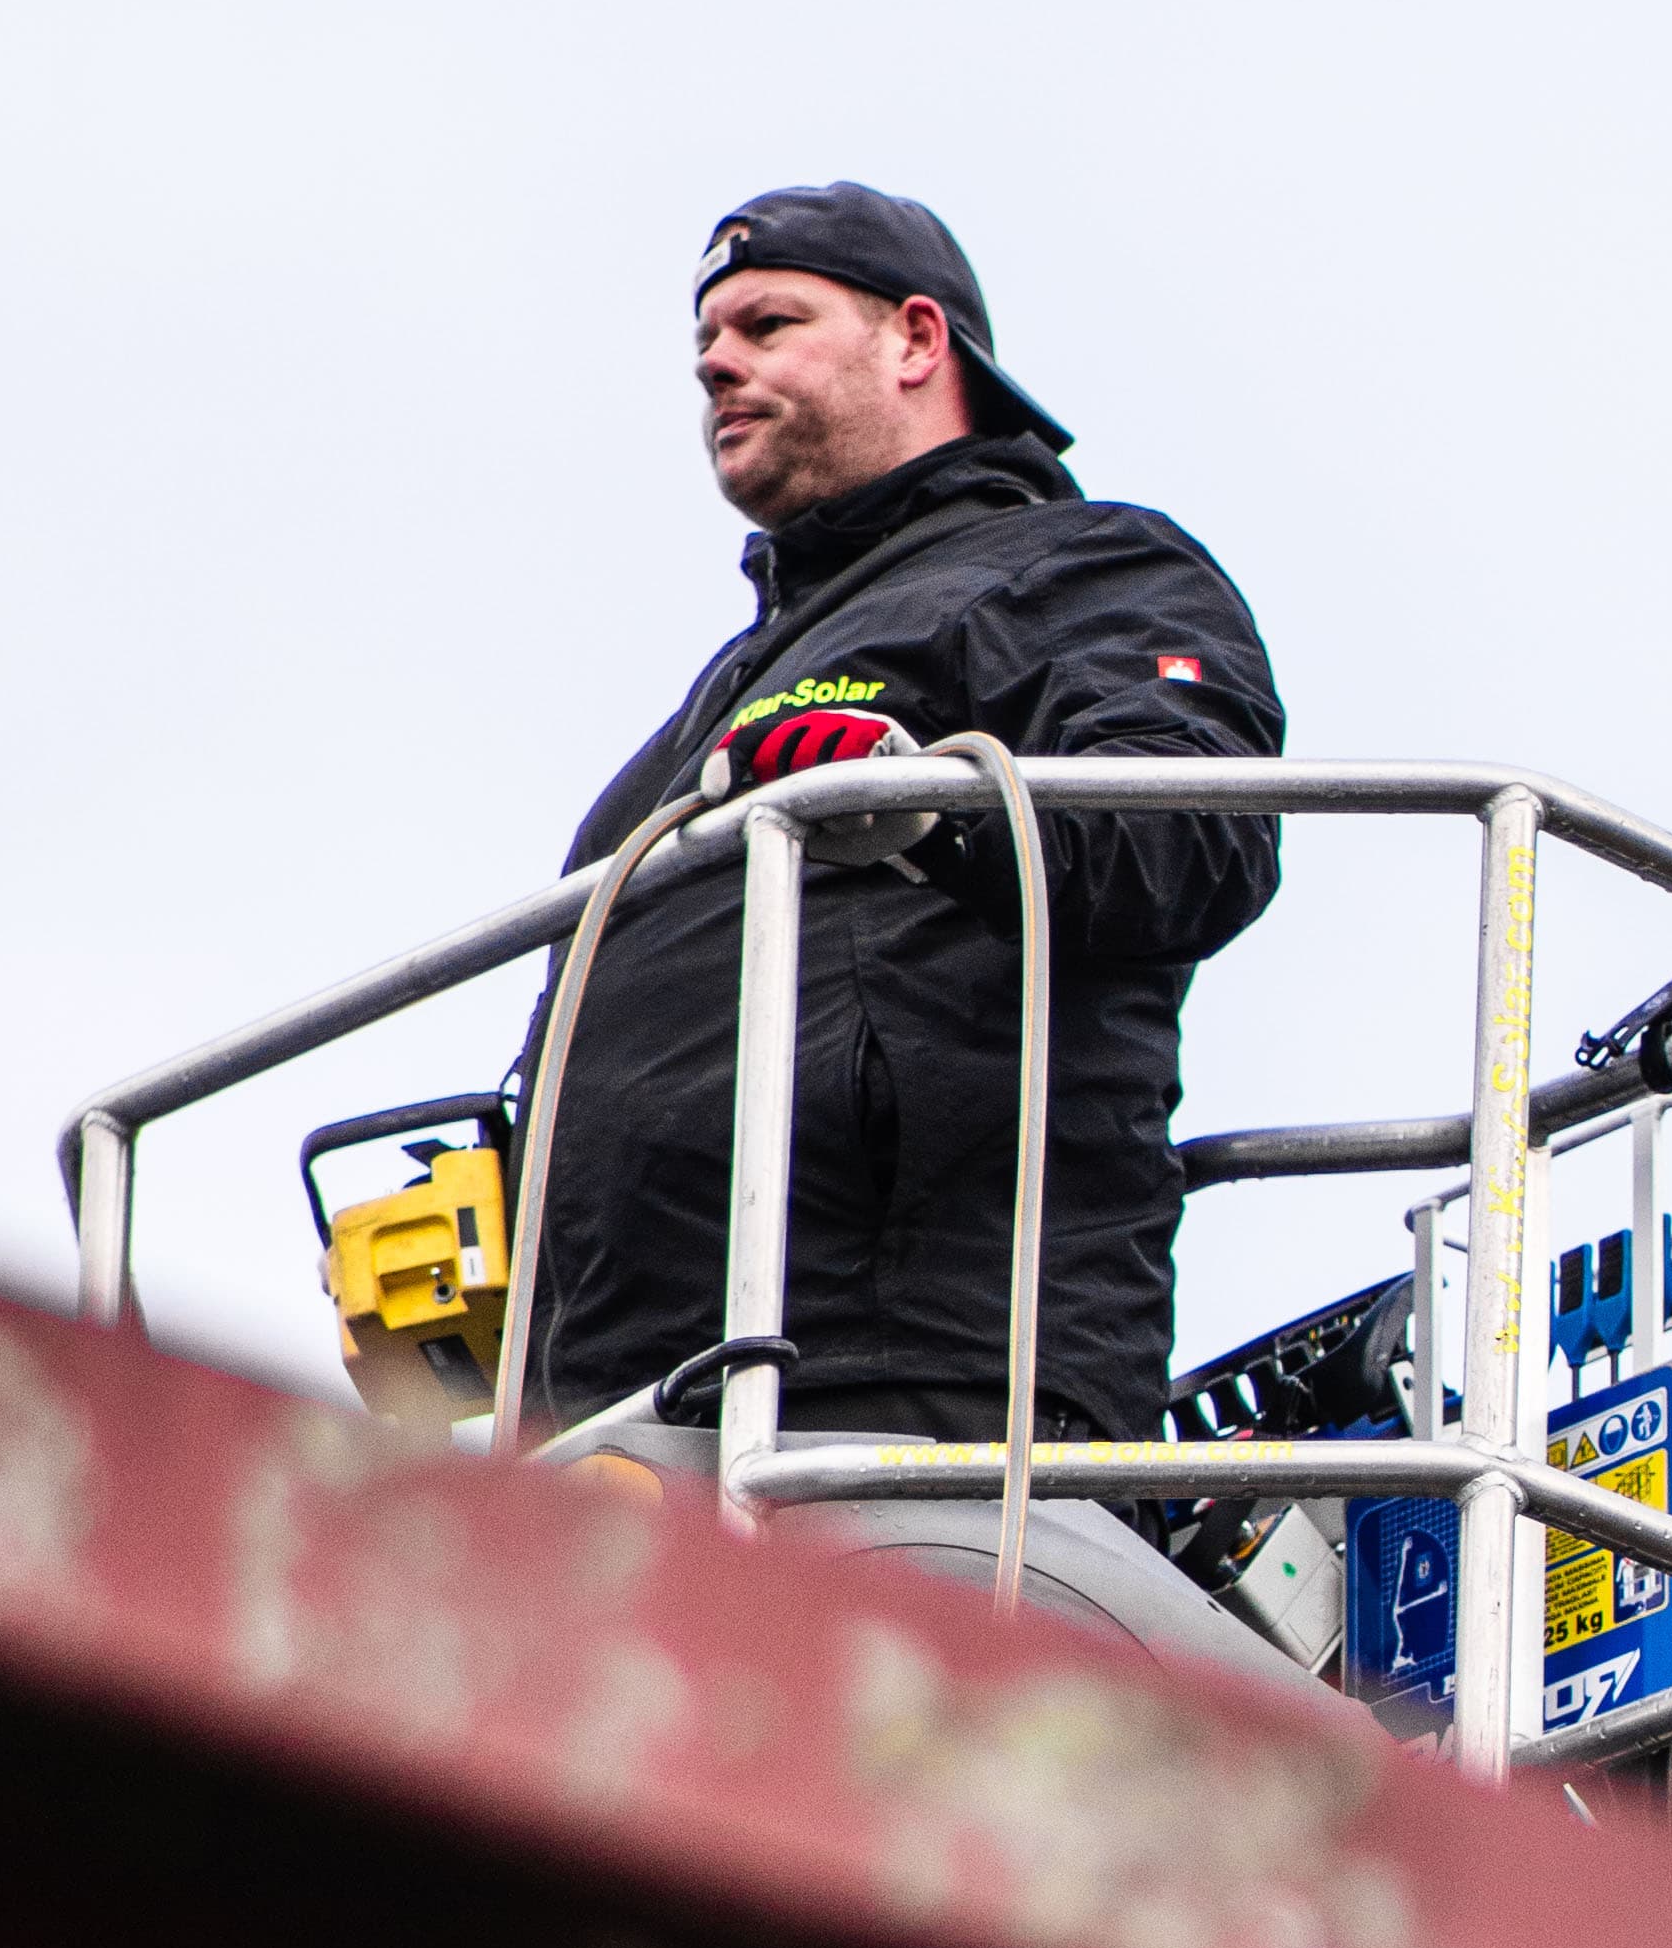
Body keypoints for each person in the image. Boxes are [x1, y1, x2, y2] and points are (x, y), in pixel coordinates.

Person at [514, 183, 1291, 1653]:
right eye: (705, 343)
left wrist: (932, 806)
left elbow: (1195, 838)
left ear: (915, 339)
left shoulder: (1081, 572)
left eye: (767, 323)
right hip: (637, 1398)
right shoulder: (698, 726)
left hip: (907, 1385)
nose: (717, 365)